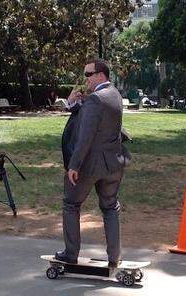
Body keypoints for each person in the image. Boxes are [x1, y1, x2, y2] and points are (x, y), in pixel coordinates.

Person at [54, 59, 130, 267]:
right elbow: (92, 118)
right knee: (110, 208)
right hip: (114, 164)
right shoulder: (114, 95)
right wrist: (73, 103)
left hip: (90, 165)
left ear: (101, 75)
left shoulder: (96, 99)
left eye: (89, 74)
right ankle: (114, 256)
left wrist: (74, 166)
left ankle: (70, 254)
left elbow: (84, 137)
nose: (85, 79)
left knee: (70, 203)